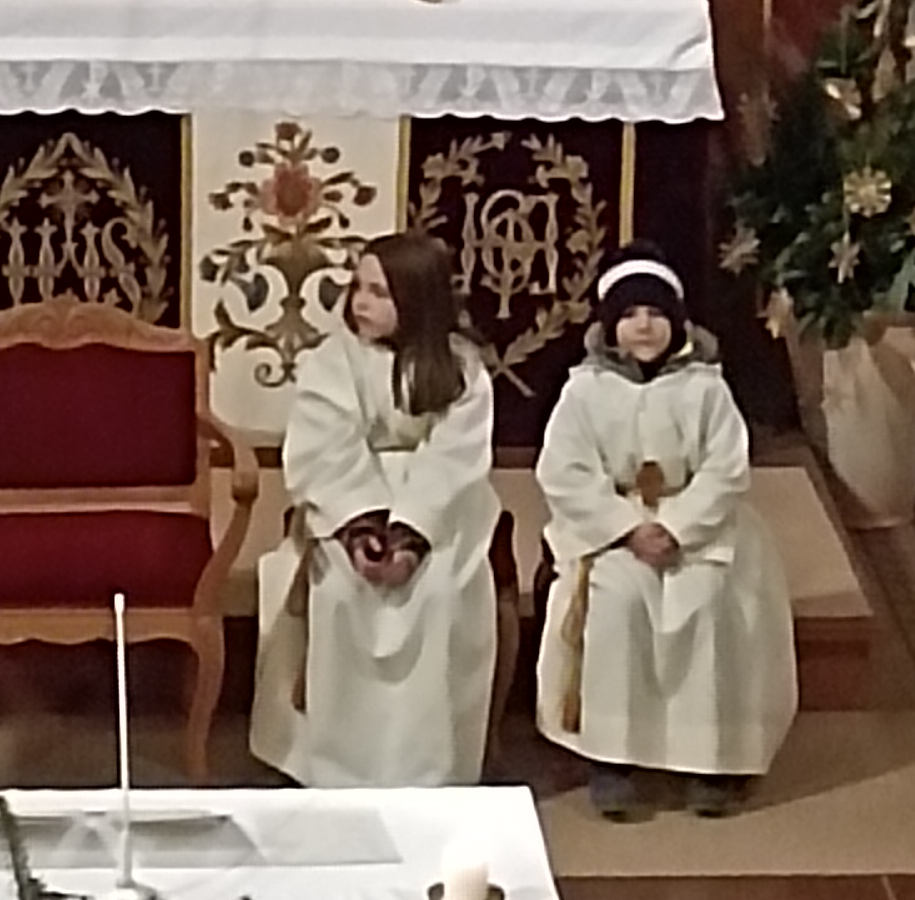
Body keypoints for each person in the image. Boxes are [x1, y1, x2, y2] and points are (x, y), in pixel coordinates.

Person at [535, 251, 796, 818]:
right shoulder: (585, 391)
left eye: (656, 314)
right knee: (617, 600)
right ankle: (612, 756)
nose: (644, 326)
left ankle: (712, 758)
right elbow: (564, 471)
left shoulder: (706, 388)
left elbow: (726, 469)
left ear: (678, 322)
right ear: (610, 326)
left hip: (695, 527)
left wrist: (676, 527)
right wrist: (627, 527)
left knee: (706, 599)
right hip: (615, 530)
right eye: (630, 315)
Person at [252, 231, 501, 789]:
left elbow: (455, 458)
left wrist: (410, 535)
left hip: (437, 515)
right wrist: (362, 528)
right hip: (346, 512)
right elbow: (325, 447)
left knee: (437, 594)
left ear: (418, 299)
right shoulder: (331, 361)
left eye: (380, 293)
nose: (361, 303)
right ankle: (335, 766)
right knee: (340, 591)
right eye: (359, 288)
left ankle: (425, 767)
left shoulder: (461, 369)